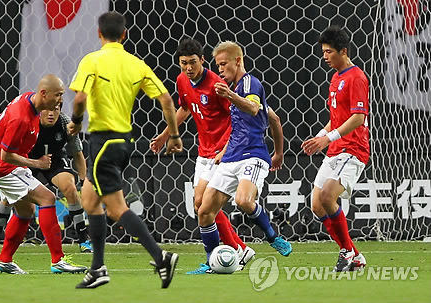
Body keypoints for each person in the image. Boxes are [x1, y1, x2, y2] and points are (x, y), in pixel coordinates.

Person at [67, 12, 183, 289]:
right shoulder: (136, 64)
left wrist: (75, 121)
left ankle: (161, 256)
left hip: (102, 141)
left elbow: (80, 97)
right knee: (90, 200)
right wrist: (174, 135)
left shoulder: (92, 60)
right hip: (123, 142)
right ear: (124, 34)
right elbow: (167, 100)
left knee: (117, 208)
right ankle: (98, 269)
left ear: (98, 34)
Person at [150, 38, 255, 274]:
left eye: (193, 63)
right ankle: (239, 248)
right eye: (184, 63)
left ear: (203, 61)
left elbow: (237, 119)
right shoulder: (181, 81)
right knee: (200, 205)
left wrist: (226, 149)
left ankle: (228, 253)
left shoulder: (217, 85)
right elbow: (185, 108)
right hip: (203, 152)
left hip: (223, 153)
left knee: (204, 206)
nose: (188, 68)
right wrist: (166, 135)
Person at [196, 41, 292, 265]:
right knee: (204, 210)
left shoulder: (250, 83)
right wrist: (225, 151)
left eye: (223, 64)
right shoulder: (238, 90)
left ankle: (272, 237)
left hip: (253, 155)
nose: (220, 70)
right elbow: (274, 119)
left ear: (237, 61)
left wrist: (229, 95)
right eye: (217, 66)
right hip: (231, 157)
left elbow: (253, 108)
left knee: (244, 201)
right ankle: (212, 261)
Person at [0, 74, 87, 274]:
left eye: (62, 95)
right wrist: (36, 163)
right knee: (47, 197)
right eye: (57, 95)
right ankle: (58, 260)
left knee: (26, 211)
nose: (60, 100)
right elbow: (6, 155)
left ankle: (4, 260)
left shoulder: (30, 102)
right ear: (44, 93)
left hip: (1, 162)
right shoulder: (20, 118)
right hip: (2, 165)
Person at [301, 25, 368, 272]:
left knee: (328, 197)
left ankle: (347, 251)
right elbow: (336, 117)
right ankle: (355, 255)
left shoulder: (356, 77)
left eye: (329, 52)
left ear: (343, 51)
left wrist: (328, 138)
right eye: (323, 52)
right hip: (335, 148)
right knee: (317, 205)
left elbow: (358, 117)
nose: (325, 56)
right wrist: (320, 136)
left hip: (353, 149)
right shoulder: (336, 78)